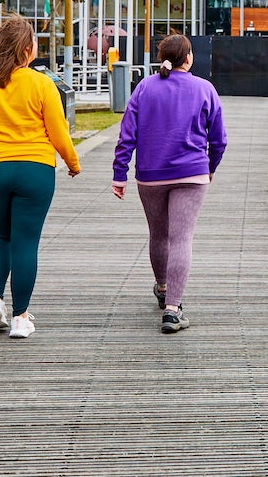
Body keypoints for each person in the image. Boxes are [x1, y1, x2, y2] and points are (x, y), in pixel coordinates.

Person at [0, 15, 80, 339]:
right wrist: (72, 162)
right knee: (26, 243)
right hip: (35, 169)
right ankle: (20, 317)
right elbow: (58, 129)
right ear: (28, 49)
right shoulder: (42, 84)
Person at [111, 34, 226, 333]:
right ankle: (173, 310)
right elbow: (219, 139)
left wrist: (119, 174)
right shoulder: (205, 89)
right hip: (192, 174)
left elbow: (127, 134)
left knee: (159, 235)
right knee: (181, 239)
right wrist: (210, 167)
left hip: (150, 175)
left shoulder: (145, 87)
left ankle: (163, 287)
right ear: (188, 58)